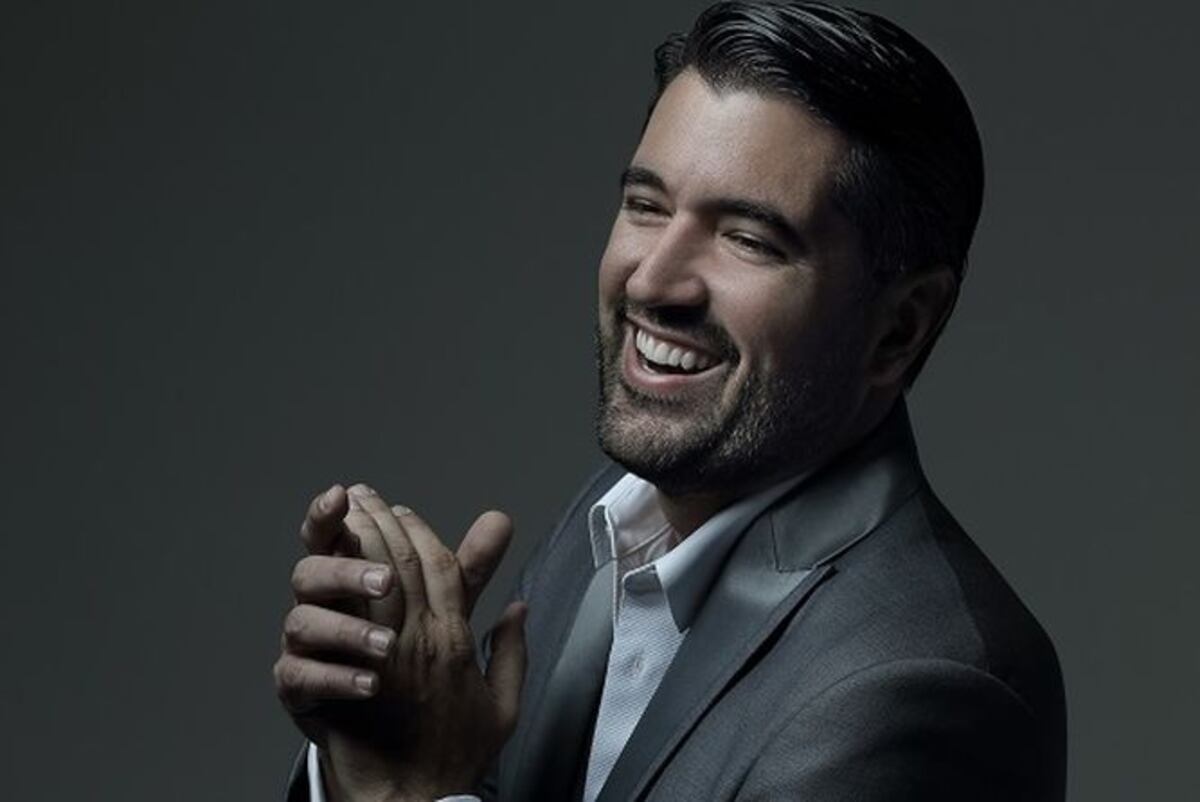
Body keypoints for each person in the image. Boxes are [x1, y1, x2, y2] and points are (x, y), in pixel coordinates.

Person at [273, 2, 1067, 800]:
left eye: (748, 239)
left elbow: (429, 787)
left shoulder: (926, 687)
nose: (652, 281)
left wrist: (415, 789)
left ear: (900, 327)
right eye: (646, 205)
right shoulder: (612, 527)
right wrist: (366, 753)